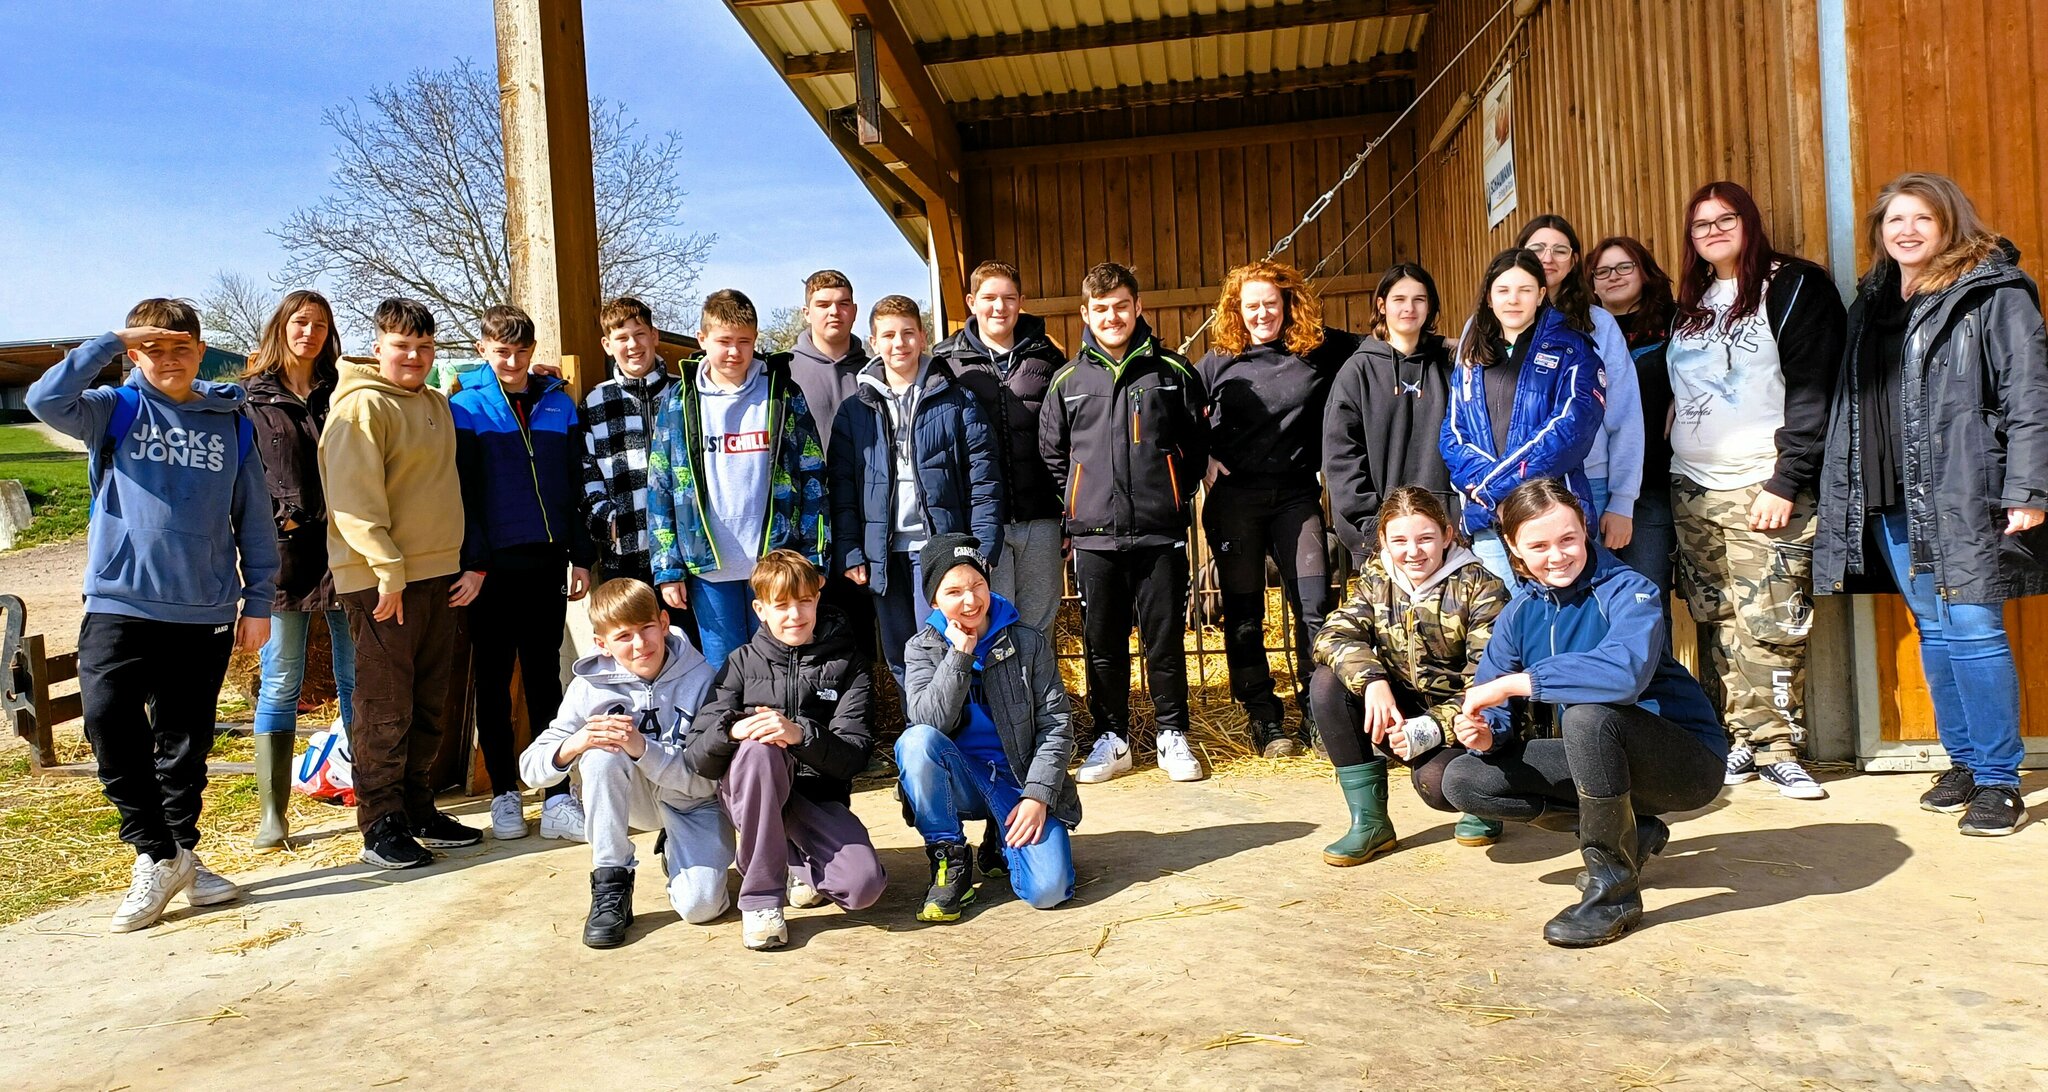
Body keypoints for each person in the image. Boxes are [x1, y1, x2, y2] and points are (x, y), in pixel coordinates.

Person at [26, 300, 278, 931]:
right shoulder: (115, 408)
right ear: (134, 354)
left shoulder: (233, 420)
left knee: (185, 742)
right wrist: (107, 339)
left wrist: (260, 600)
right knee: (109, 723)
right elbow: (43, 400)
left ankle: (179, 853)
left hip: (206, 609)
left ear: (200, 351)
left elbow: (254, 516)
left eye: (181, 348)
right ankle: (158, 851)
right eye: (153, 349)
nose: (169, 360)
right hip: (121, 600)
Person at [1816, 171, 2048, 836]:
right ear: (1880, 233)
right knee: (1937, 629)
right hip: (1894, 496)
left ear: (1949, 224)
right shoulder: (1874, 299)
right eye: (1895, 221)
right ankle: (1968, 762)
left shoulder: (1994, 293)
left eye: (1922, 218)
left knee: (1975, 628)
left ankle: (2002, 782)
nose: (1907, 231)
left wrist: (2029, 489)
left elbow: (2029, 394)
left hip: (1966, 489)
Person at [1441, 478, 1725, 948]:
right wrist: (1484, 733)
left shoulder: (1630, 590)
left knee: (1589, 715)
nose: (1557, 556)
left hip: (1686, 762)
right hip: (1600, 755)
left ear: (1586, 529)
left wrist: (1523, 682)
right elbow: (1495, 709)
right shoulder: (1519, 615)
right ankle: (1633, 833)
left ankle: (1613, 895)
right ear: (1513, 545)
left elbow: (1624, 676)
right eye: (1539, 545)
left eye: (1568, 539)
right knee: (1465, 780)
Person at [1666, 180, 1846, 800]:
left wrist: (1787, 479)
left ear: (1751, 221)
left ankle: (1778, 747)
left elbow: (1814, 390)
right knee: (1716, 616)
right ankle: (1740, 740)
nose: (1713, 231)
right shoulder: (1689, 302)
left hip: (1763, 484)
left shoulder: (1792, 285)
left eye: (1726, 219)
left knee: (1770, 620)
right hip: (1692, 484)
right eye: (1700, 224)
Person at [320, 297, 484, 869]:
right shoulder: (361, 408)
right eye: (401, 345)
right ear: (379, 346)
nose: (413, 356)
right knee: (385, 705)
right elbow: (353, 500)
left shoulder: (435, 401)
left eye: (424, 346)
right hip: (383, 580)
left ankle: (419, 807)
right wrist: (386, 570)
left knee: (428, 701)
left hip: (438, 573)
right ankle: (380, 823)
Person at [1040, 262, 1210, 784]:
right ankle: (1111, 739)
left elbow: (1196, 448)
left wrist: (1172, 497)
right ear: (1085, 315)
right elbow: (1053, 455)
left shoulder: (1174, 372)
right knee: (1103, 644)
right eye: (1101, 309)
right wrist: (1077, 508)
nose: (1112, 316)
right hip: (1095, 537)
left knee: (1163, 640)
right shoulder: (1067, 380)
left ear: (1138, 308)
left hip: (1160, 534)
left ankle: (1171, 734)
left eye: (1121, 306)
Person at [685, 551, 886, 950]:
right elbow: (697, 757)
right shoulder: (739, 664)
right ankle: (761, 898)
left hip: (815, 798)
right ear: (760, 609)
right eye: (781, 605)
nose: (794, 614)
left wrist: (800, 734)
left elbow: (854, 756)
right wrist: (732, 730)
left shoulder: (850, 665)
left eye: (804, 601)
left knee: (863, 887)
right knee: (760, 748)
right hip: (754, 793)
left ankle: (797, 862)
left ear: (818, 596)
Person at [450, 305, 597, 842]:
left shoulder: (559, 404)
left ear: (534, 351)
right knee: (491, 679)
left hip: (546, 561)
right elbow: (461, 493)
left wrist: (580, 554)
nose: (511, 361)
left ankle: (556, 794)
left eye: (521, 351)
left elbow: (578, 485)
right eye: (501, 351)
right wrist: (475, 562)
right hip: (490, 569)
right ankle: (504, 795)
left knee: (543, 678)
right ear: (483, 349)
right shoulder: (464, 407)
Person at [519, 578, 732, 947]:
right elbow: (529, 767)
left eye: (647, 628)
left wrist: (642, 748)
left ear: (664, 623)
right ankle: (611, 878)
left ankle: (674, 847)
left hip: (689, 801)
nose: (639, 644)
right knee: (602, 752)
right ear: (601, 643)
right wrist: (576, 743)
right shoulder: (590, 686)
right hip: (632, 801)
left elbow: (708, 781)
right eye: (623, 636)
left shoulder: (703, 680)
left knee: (702, 907)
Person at [1197, 259, 1353, 757]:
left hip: (1295, 496)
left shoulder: (1319, 350)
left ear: (1288, 303)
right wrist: (1201, 453)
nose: (1262, 313)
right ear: (1236, 311)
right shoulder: (1219, 359)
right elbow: (1173, 410)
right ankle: (1264, 716)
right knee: (1243, 611)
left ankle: (1318, 710)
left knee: (1314, 608)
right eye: (1251, 305)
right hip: (1235, 499)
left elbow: (1385, 346)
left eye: (1270, 302)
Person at [1309, 487, 1512, 863]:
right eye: (1399, 540)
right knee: (1326, 682)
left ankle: (1482, 799)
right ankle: (1369, 823)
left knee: (1437, 787)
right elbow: (1333, 634)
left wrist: (1429, 729)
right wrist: (1372, 682)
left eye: (1425, 538)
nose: (1413, 551)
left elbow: (1487, 682)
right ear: (1384, 541)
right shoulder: (1376, 576)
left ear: (1447, 535)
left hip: (1467, 724)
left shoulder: (1482, 586)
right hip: (1402, 708)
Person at [897, 534, 1080, 920]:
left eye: (977, 585)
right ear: (934, 600)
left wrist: (1039, 795)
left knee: (1048, 891)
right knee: (915, 742)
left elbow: (1057, 724)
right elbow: (928, 723)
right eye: (954, 591)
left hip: (1018, 782)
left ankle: (1001, 834)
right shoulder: (922, 648)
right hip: (961, 779)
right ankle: (950, 860)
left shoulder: (1027, 643)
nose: (970, 600)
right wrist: (959, 657)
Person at [648, 289, 830, 670]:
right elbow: (661, 486)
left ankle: (784, 731)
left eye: (744, 342)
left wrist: (814, 556)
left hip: (776, 560)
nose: (734, 352)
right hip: (708, 565)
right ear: (702, 340)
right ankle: (734, 732)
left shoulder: (782, 394)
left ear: (756, 340)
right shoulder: (680, 401)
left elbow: (812, 474)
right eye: (724, 342)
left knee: (782, 665)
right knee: (726, 670)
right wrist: (668, 568)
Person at [829, 294, 1003, 687]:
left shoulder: (957, 400)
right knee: (900, 650)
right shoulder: (855, 410)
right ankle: (918, 736)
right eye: (888, 335)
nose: (899, 343)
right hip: (884, 551)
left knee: (947, 645)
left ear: (923, 338)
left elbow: (984, 480)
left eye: (908, 333)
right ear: (873, 342)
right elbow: (842, 490)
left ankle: (955, 740)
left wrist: (982, 548)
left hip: (939, 548)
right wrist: (852, 550)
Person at [241, 289, 354, 850]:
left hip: (348, 549)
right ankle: (273, 813)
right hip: (285, 555)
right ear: (281, 327)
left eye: (320, 323)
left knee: (357, 677)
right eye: (299, 322)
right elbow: (242, 476)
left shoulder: (345, 389)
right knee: (282, 677)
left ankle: (372, 795)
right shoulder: (249, 398)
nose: (308, 331)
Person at [1440, 248, 1606, 583]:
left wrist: (1495, 491)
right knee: (1503, 621)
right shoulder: (1472, 356)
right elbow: (1453, 435)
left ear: (1541, 294)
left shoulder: (1573, 349)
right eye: (1503, 290)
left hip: (1551, 519)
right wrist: (1491, 497)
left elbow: (1570, 431)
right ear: (1489, 298)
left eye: (1525, 290)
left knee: (1559, 620)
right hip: (1488, 523)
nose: (1513, 300)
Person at [931, 261, 1069, 637]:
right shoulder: (945, 363)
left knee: (1039, 624)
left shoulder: (1048, 357)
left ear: (1021, 302)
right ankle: (1003, 698)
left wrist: (1067, 511)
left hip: (1039, 517)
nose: (999, 307)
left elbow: (1067, 439)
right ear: (972, 302)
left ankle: (1038, 697)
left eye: (1009, 298)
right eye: (989, 298)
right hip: (981, 522)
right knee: (992, 624)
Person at [1517, 215, 1645, 554]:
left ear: (1574, 261)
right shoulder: (1488, 324)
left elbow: (1625, 414)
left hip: (1590, 481)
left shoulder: (1597, 323)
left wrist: (1622, 501)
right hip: (1511, 481)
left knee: (1585, 596)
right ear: (1520, 253)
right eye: (1538, 248)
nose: (1548, 257)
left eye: (1560, 250)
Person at [1324, 262, 1458, 565]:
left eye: (1419, 299)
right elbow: (1341, 459)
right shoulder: (1356, 372)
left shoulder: (1451, 366)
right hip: (1384, 540)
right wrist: (1375, 529)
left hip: (1448, 535)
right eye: (1399, 299)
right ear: (1382, 305)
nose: (1409, 308)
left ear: (1430, 307)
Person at [776, 269, 876, 659]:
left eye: (843, 303)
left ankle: (860, 715)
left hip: (864, 520)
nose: (834, 312)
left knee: (860, 627)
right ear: (806, 312)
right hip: (805, 523)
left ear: (854, 310)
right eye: (823, 305)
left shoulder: (876, 371)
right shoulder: (782, 373)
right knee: (805, 626)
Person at [1588, 236, 1679, 594]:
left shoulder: (1677, 322)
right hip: (1595, 481)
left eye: (1624, 267)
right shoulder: (1584, 330)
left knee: (1647, 594)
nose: (1614, 276)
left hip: (1651, 481)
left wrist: (1684, 396)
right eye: (1603, 271)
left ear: (1645, 272)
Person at [582, 297, 678, 608]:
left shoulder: (683, 393)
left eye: (639, 334)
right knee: (634, 646)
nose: (632, 345)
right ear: (607, 345)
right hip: (625, 553)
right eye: (621, 338)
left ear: (654, 336)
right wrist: (607, 521)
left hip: (683, 551)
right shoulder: (596, 401)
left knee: (685, 647)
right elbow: (586, 470)